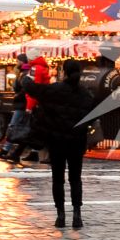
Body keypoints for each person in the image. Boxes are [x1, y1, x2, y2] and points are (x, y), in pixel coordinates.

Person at [27, 58, 96, 228]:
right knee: (75, 179)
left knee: (58, 179)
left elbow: (32, 88)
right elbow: (93, 115)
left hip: (56, 141)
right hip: (77, 141)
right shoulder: (85, 94)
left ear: (64, 72)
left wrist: (26, 75)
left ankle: (60, 215)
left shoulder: (54, 90)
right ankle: (77, 215)